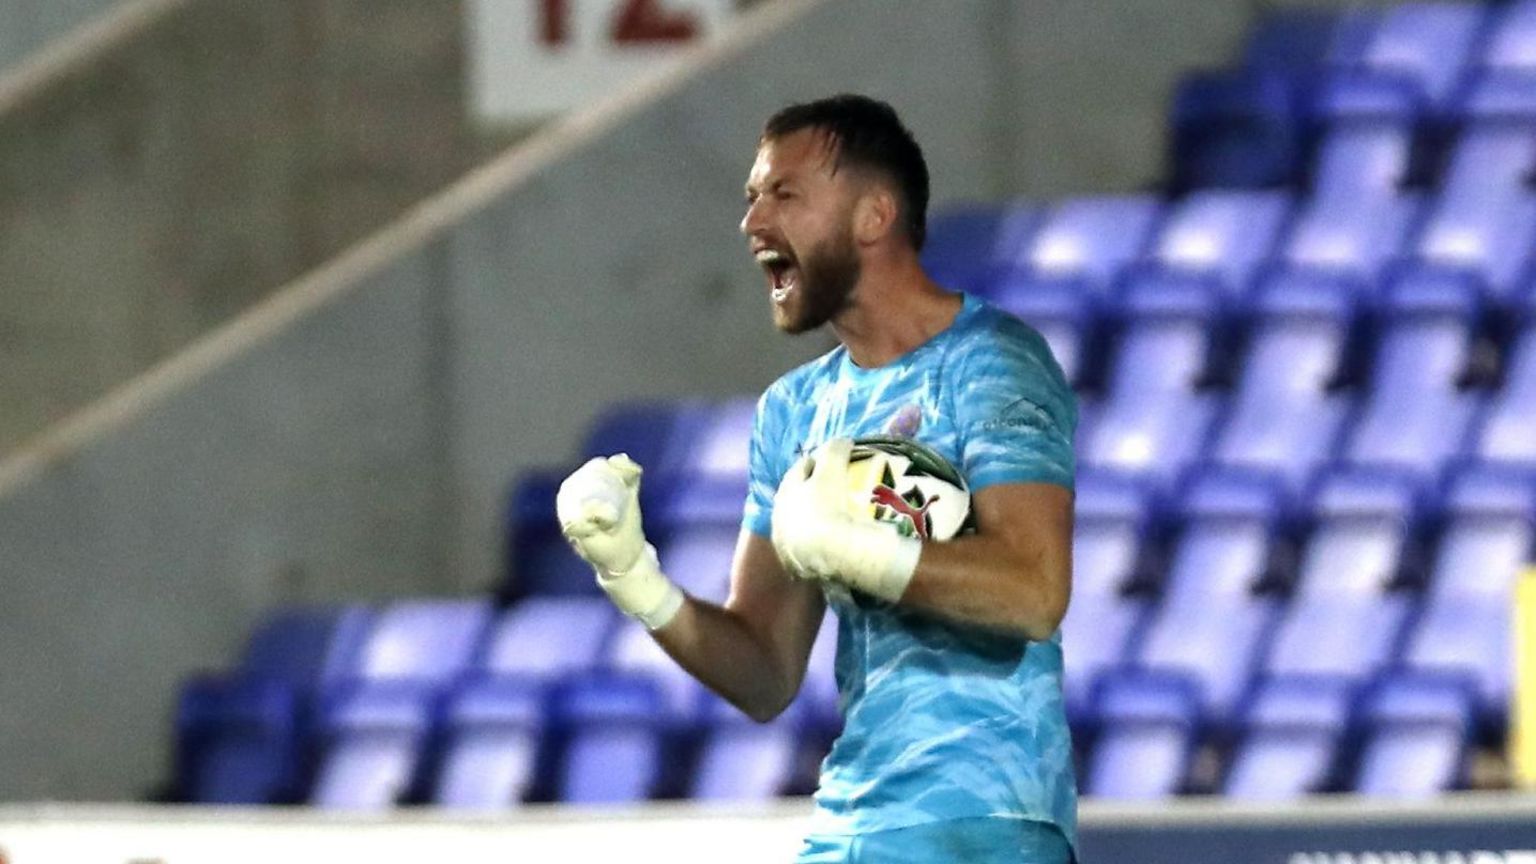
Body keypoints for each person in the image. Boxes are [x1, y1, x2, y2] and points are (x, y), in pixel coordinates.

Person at [556, 94, 1078, 864]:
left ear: (874, 216)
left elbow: (1034, 592)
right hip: (851, 826)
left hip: (988, 823)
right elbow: (765, 672)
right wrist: (636, 579)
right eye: (751, 198)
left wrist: (860, 551)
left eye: (783, 194)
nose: (752, 223)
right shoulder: (794, 411)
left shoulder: (994, 363)